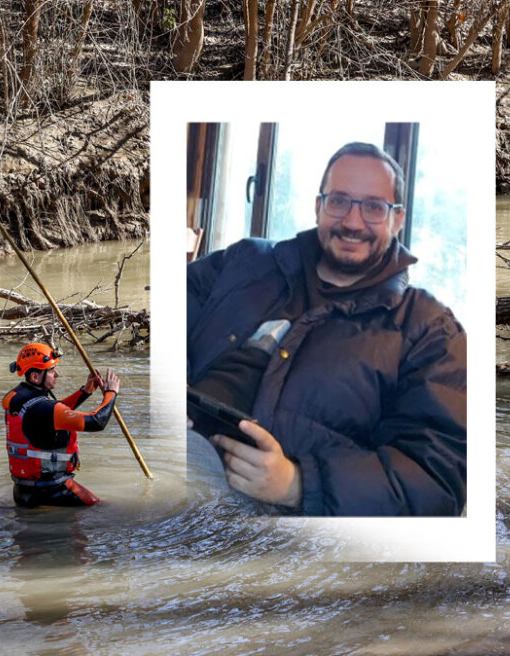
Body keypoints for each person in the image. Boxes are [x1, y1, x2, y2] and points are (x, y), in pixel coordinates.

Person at [186, 142, 467, 516]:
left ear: (397, 219)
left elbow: (439, 481)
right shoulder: (244, 260)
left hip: (258, 531)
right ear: (319, 206)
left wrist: (300, 485)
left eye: (373, 207)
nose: (352, 223)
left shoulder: (432, 331)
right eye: (339, 201)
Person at [2, 342, 121, 508]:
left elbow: (54, 414)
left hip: (22, 492)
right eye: (51, 370)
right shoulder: (46, 409)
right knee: (101, 508)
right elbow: (96, 421)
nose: (57, 374)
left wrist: (85, 392)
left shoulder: (16, 398)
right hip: (54, 490)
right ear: (35, 377)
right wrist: (111, 393)